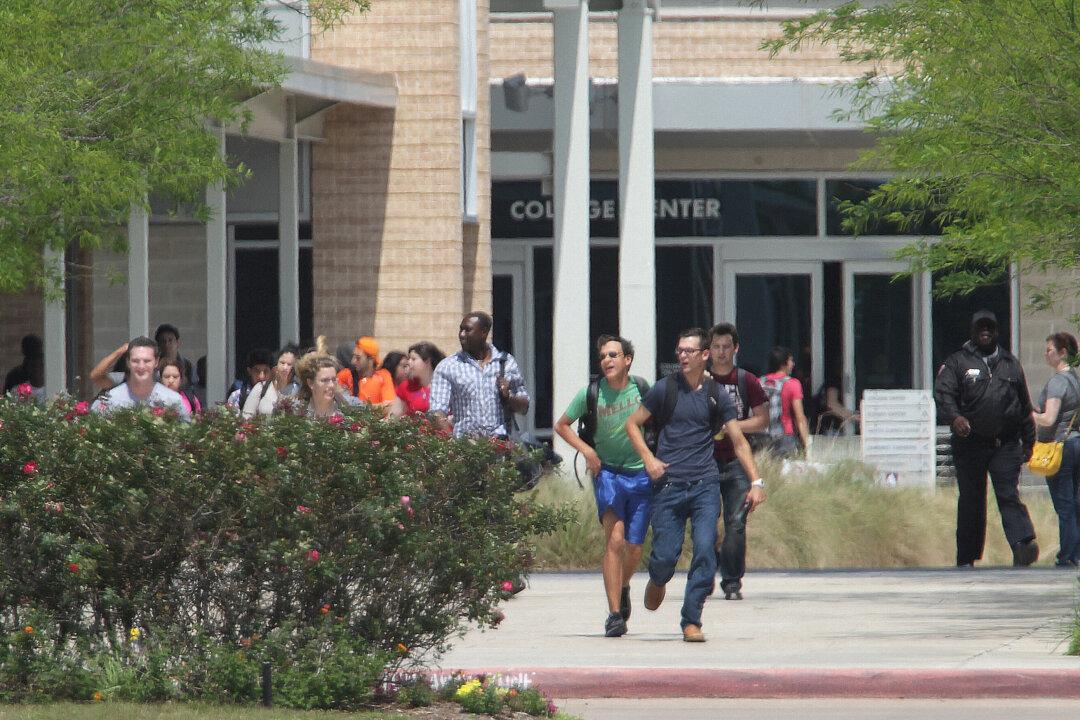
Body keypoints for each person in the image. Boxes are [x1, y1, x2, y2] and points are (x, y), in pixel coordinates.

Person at [625, 328, 765, 643]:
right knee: (664, 556)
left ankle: (692, 619)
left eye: (689, 351)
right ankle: (658, 579)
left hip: (704, 483)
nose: (682, 356)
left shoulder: (717, 394)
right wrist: (649, 459)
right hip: (669, 485)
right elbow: (632, 425)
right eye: (680, 351)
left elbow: (738, 441)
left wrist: (756, 481)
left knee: (705, 550)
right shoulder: (664, 389)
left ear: (704, 355)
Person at [553, 335, 650, 638]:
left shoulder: (643, 390)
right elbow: (562, 425)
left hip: (641, 475)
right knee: (616, 540)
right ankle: (614, 615)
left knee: (635, 547)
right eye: (603, 357)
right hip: (607, 473)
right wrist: (588, 452)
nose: (607, 361)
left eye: (613, 355)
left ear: (627, 360)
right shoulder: (591, 393)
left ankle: (623, 586)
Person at [934, 310, 1039, 568]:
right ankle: (966, 558)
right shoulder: (957, 362)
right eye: (980, 328)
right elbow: (943, 395)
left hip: (1005, 445)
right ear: (972, 332)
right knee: (972, 500)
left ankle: (1023, 545)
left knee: (1008, 495)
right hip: (970, 444)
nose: (985, 332)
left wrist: (1029, 441)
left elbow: (1024, 406)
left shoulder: (1010, 364)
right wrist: (955, 418)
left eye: (989, 328)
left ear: (996, 332)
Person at [707, 323, 769, 601]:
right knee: (704, 523)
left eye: (726, 347)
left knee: (735, 522)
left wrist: (733, 427)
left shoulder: (746, 380)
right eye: (716, 347)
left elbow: (762, 419)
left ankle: (731, 581)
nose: (721, 353)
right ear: (708, 350)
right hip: (704, 461)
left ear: (735, 348)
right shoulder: (699, 381)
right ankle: (704, 575)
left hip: (736, 461)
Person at [430, 311, 529, 438]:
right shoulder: (448, 367)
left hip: (501, 447)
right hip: (467, 447)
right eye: (461, 330)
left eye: (468, 330)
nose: (462, 335)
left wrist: (508, 397)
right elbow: (437, 412)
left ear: (484, 332)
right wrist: (453, 444)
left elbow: (524, 407)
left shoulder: (506, 363)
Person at [1031, 332, 1080, 567]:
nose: (1045, 354)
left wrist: (1029, 413)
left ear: (1062, 353)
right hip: (1076, 443)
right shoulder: (1075, 380)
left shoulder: (1058, 382)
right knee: (1076, 501)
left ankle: (1067, 554)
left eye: (1049, 349)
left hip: (1060, 447)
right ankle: (1076, 552)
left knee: (1065, 504)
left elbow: (1049, 419)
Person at [91, 336, 190, 420]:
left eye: (147, 361)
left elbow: (187, 436)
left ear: (156, 362)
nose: (141, 366)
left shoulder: (173, 400)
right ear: (128, 362)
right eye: (135, 361)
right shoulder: (112, 400)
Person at [762, 346, 811, 458]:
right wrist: (807, 445)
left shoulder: (759, 382)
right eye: (791, 360)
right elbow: (800, 418)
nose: (793, 364)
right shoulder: (792, 384)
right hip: (785, 436)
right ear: (784, 363)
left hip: (761, 436)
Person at [337, 337, 401, 414]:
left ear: (371, 359)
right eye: (353, 356)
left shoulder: (383, 376)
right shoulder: (345, 374)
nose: (352, 361)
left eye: (358, 358)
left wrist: (359, 407)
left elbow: (389, 406)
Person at [242, 344, 300, 418]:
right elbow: (246, 417)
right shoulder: (261, 388)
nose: (285, 367)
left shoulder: (298, 391)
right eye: (282, 363)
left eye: (289, 364)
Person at [295, 345, 351, 419]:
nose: (331, 385)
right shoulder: (296, 413)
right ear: (311, 383)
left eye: (333, 379)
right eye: (325, 380)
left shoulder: (351, 409)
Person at [397, 341, 445, 414]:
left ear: (427, 361)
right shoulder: (405, 387)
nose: (409, 362)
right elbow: (393, 417)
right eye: (409, 359)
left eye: (413, 359)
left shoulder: (445, 386)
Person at [155, 323, 198, 389]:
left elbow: (194, 388)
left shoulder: (187, 365)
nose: (167, 344)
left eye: (170, 340)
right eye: (163, 341)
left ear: (177, 343)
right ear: (158, 344)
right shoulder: (153, 365)